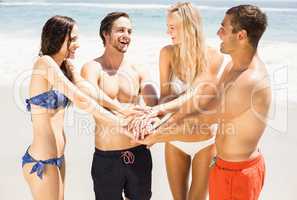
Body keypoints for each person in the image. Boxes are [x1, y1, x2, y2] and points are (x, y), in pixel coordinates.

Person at [139, 4, 271, 200]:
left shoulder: (249, 80)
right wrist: (157, 111)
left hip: (239, 173)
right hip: (222, 166)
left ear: (241, 36)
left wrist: (155, 136)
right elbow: (200, 102)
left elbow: (204, 118)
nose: (218, 33)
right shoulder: (231, 69)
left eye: (223, 29)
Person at [22, 15, 125, 200]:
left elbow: (88, 92)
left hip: (58, 158)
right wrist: (120, 123)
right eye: (74, 39)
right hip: (41, 160)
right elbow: (79, 99)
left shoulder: (66, 66)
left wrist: (123, 109)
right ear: (59, 38)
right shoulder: (44, 63)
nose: (77, 44)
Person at [129, 2, 225, 199]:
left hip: (204, 140)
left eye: (172, 27)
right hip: (174, 138)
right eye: (168, 27)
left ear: (188, 26)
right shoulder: (167, 53)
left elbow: (195, 94)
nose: (168, 32)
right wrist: (151, 121)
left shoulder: (214, 56)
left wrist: (159, 110)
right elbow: (166, 98)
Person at [80, 12, 157, 200]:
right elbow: (87, 97)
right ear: (106, 34)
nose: (127, 35)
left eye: (129, 31)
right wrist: (120, 109)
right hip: (107, 157)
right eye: (120, 30)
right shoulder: (92, 68)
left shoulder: (138, 69)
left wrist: (156, 124)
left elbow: (154, 105)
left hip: (139, 153)